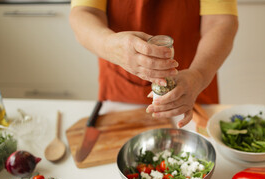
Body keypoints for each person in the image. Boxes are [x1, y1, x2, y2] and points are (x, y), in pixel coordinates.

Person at [69, 0, 238, 128]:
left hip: (193, 82)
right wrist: (109, 44)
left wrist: (199, 75)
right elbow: (83, 13)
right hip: (121, 89)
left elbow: (220, 21)